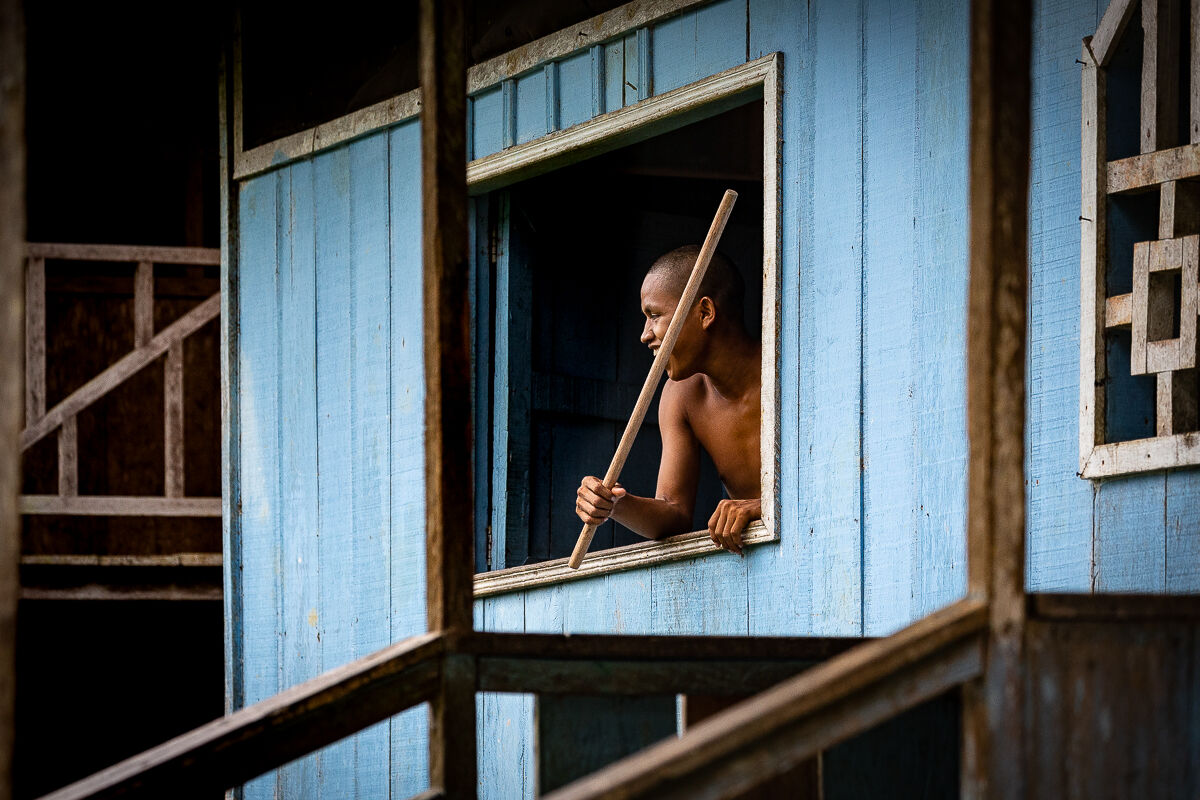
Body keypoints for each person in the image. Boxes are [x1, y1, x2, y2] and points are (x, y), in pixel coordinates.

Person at [575, 245, 761, 555]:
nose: (645, 335)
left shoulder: (787, 370)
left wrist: (759, 507)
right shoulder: (682, 394)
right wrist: (614, 504)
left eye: (654, 315)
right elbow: (674, 515)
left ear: (704, 313)